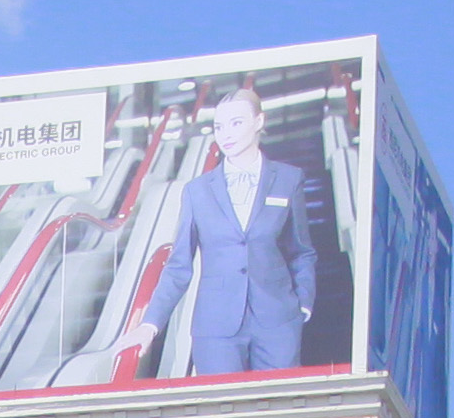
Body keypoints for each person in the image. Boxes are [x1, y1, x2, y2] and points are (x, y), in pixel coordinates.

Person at [126, 82, 319, 377]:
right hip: (216, 326)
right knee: (222, 404)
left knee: (277, 404)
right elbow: (178, 266)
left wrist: (303, 302)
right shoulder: (197, 191)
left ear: (259, 121)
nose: (226, 134)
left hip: (278, 320)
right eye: (219, 127)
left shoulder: (288, 179)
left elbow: (301, 251)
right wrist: (150, 324)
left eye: (236, 123)